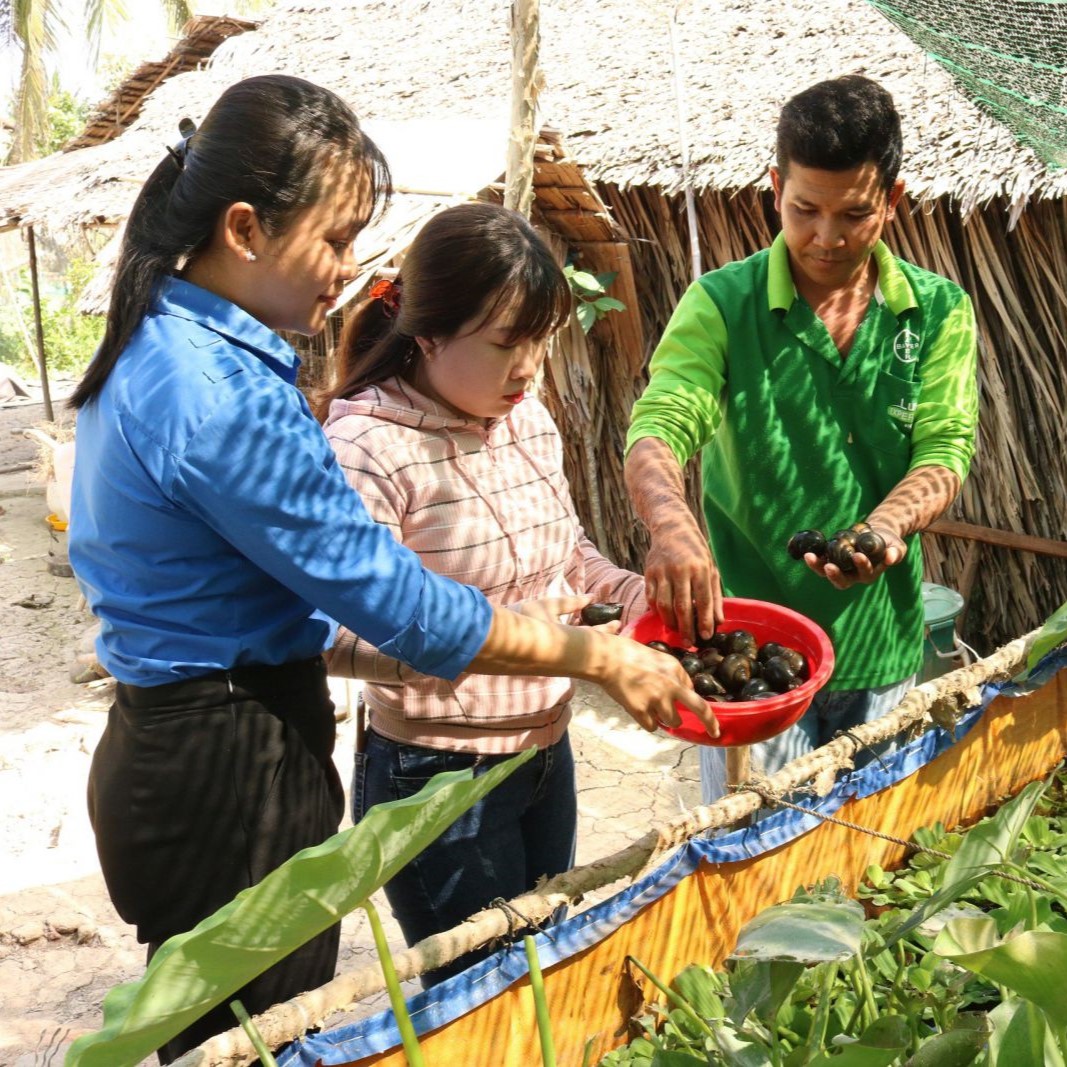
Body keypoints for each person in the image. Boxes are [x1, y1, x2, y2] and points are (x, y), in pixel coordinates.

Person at [66, 75, 715, 1062]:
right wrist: (593, 657)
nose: (345, 270)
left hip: (192, 745)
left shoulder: (165, 343)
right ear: (244, 227)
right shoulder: (224, 396)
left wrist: (611, 610)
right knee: (260, 1038)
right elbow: (395, 604)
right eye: (331, 239)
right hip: (228, 766)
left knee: (239, 1031)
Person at [318, 201, 691, 985]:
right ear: (427, 333)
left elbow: (565, 553)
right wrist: (496, 632)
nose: (527, 367)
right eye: (503, 344)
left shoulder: (526, 420)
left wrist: (631, 593)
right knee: (481, 999)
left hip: (544, 753)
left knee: (540, 975)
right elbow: (333, 635)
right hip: (435, 779)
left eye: (540, 341)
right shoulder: (366, 449)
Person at [624, 75, 978, 803]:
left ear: (893, 200)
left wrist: (883, 527)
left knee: (866, 855)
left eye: (853, 214)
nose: (825, 237)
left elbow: (943, 448)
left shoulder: (938, 312)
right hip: (749, 648)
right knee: (753, 859)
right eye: (802, 209)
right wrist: (669, 523)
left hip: (881, 646)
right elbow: (661, 422)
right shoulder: (721, 303)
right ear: (772, 185)